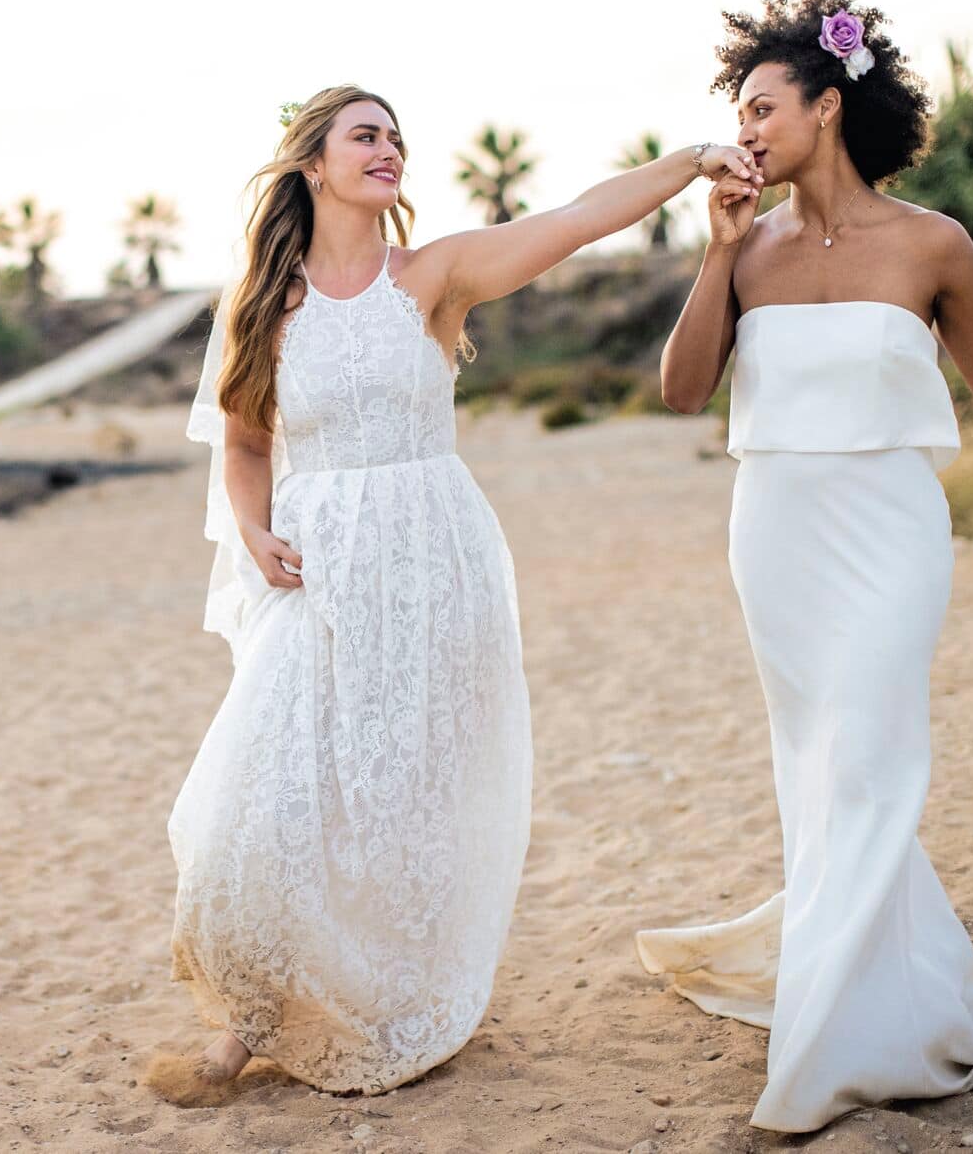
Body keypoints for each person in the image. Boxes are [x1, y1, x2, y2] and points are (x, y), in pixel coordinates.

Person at [152, 84, 755, 1103]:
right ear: (312, 163)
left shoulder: (432, 276)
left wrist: (690, 158)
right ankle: (246, 1017)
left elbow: (568, 221)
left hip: (434, 566)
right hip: (320, 573)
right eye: (364, 135)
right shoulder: (263, 300)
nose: (387, 148)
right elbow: (246, 441)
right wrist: (251, 527)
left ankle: (375, 1003)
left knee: (397, 801)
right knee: (259, 803)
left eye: (394, 136)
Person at [638, 0, 973, 1133]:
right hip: (775, 534)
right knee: (818, 765)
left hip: (890, 530)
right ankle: (851, 983)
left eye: (760, 106)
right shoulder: (744, 250)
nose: (742, 130)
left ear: (826, 106)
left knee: (868, 747)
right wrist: (712, 256)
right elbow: (678, 391)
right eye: (736, 112)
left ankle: (833, 1040)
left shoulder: (930, 245)